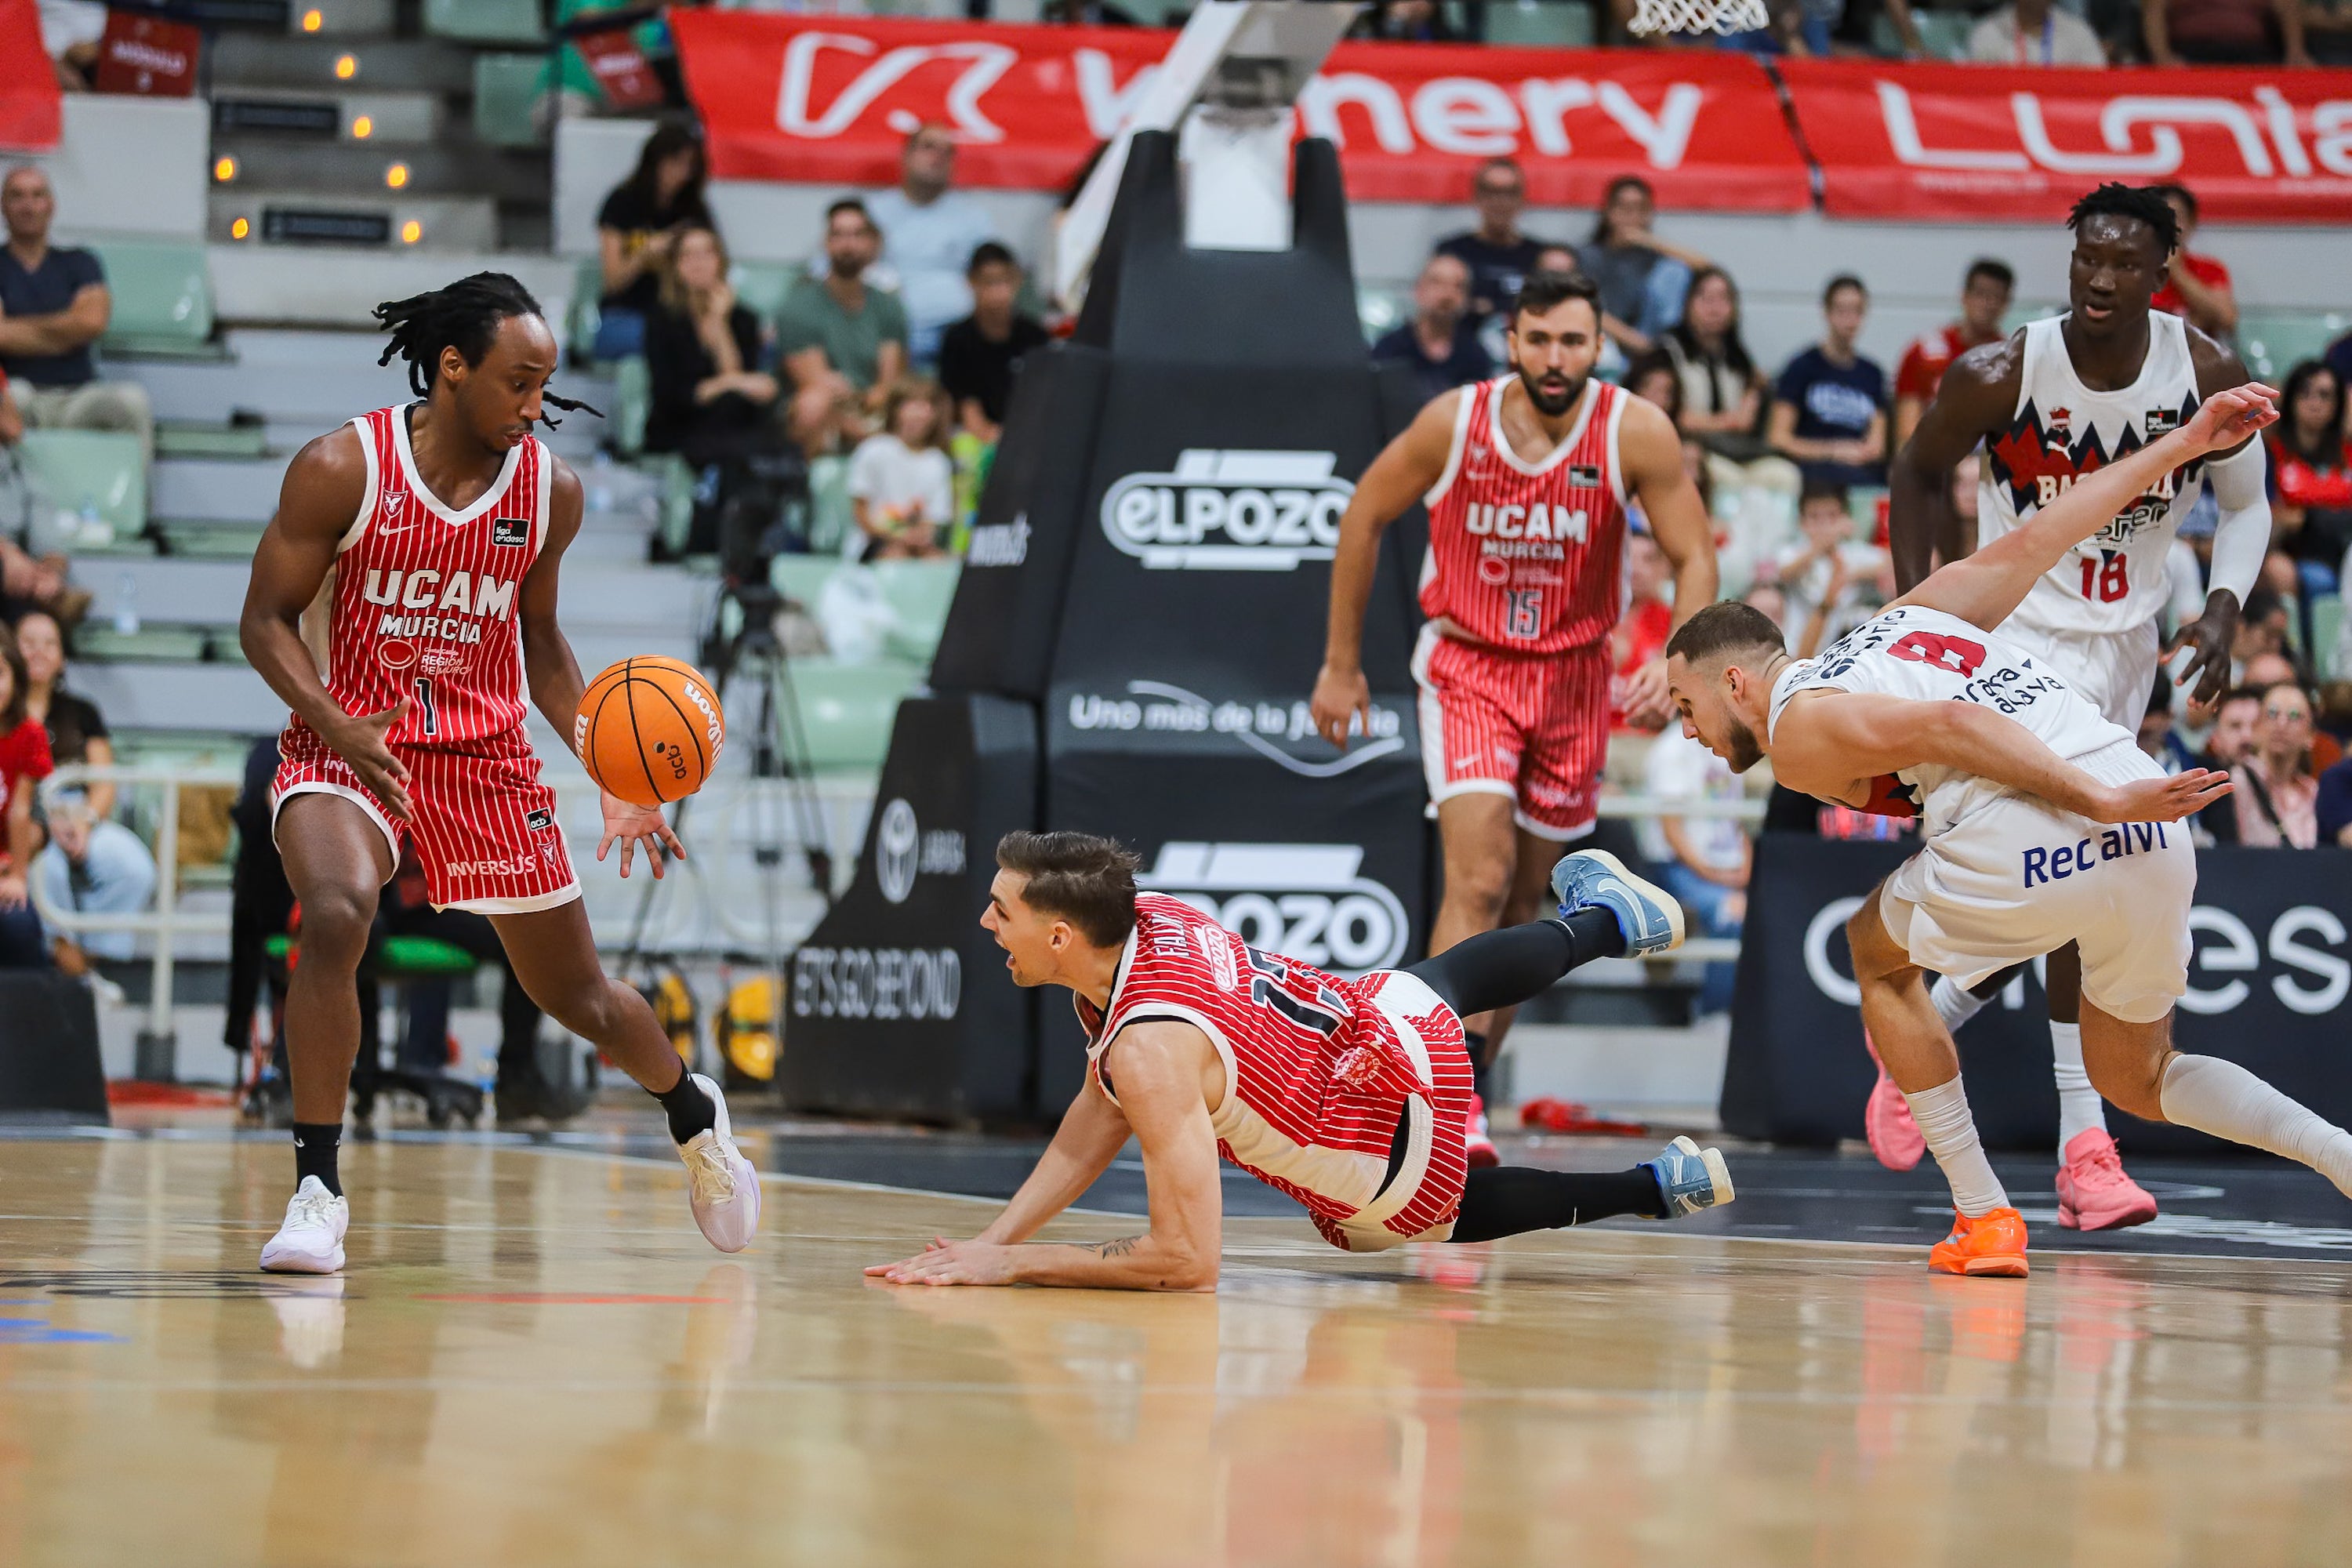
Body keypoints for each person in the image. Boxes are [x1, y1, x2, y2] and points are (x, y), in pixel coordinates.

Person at [1671, 383, 2352, 1277]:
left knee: (1872, 951)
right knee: (2137, 1075)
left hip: (2053, 814)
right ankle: (2336, 1151)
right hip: (2147, 804)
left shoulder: (1797, 728)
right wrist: (2183, 442)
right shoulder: (1909, 619)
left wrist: (2087, 800)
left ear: (1735, 684)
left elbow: (1950, 731)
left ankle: (1986, 1216)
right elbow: (2054, 528)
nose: (1687, 731)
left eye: (1685, 706)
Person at [234, 272, 760, 1274]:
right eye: (520, 382)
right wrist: (335, 723)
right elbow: (263, 621)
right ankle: (317, 1188)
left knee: (585, 999)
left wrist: (610, 765)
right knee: (340, 908)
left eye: (546, 383)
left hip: (485, 756)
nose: (535, 405)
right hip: (355, 740)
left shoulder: (546, 489)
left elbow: (544, 642)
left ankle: (694, 1112)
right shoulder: (344, 466)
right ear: (452, 366)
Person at [1886, 183, 2270, 1226]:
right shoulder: (2005, 372)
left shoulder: (2204, 371)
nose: (2100, 278)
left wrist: (2226, 605)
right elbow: (1917, 472)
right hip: (2016, 639)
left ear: (2159, 276)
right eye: (2085, 260)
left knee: (2063, 871)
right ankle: (2082, 1146)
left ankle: (1933, 1017)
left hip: (2129, 645)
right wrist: (1921, 618)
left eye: (2123, 264)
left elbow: (2248, 501)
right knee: (2087, 854)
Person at [865, 831, 1731, 1289]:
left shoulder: (1150, 1051)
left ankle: (1654, 1187)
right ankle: (1611, 925)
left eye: (999, 910)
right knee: (1425, 983)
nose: (986, 923)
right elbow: (1094, 1119)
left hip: (1377, 1157)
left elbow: (1185, 1260)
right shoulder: (1146, 914)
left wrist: (1013, 1264)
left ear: (1060, 936)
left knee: (1425, 1215)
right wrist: (990, 1239)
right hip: (1376, 1044)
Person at [1310, 270, 1718, 1165]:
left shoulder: (1634, 429)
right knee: (1481, 877)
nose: (1556, 358)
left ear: (1600, 343)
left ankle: (1468, 1092)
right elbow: (1363, 514)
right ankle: (1437, 1100)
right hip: (1469, 665)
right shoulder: (1455, 420)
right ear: (1512, 340)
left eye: (1573, 341)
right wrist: (1341, 664)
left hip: (1575, 679)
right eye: (1540, 339)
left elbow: (1693, 552)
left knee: (1528, 898)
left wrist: (1673, 654)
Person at [17, 610, 151, 970]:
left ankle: (84, 962)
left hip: (78, 812)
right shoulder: (7, 712)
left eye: (49, 643)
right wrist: (40, 828)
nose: (39, 652)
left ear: (61, 655)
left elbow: (103, 780)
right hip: (24, 816)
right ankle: (64, 962)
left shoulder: (82, 711)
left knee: (135, 866)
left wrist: (85, 821)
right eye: (28, 643)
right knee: (50, 874)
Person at [0, 166, 154, 459]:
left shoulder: (80, 262)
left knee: (133, 402)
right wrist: (66, 330)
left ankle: (137, 502)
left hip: (78, 395)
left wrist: (17, 329)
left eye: (37, 195)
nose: (28, 206)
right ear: (3, 206)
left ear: (51, 205)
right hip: (17, 395)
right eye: (17, 196)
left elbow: (92, 322)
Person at [864, 124, 1000, 371]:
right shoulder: (873, 212)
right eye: (928, 147)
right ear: (906, 155)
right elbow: (830, 270)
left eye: (947, 151)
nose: (938, 157)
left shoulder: (973, 217)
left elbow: (995, 276)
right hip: (888, 334)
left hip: (957, 332)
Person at [641, 225, 779, 466]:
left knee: (738, 414)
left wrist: (720, 323)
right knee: (731, 428)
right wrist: (730, 383)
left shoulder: (743, 319)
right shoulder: (662, 321)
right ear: (675, 265)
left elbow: (739, 386)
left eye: (707, 253)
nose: (699, 262)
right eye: (689, 255)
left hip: (729, 421)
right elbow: (671, 395)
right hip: (679, 423)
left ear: (721, 261)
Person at [1636, 726, 1748, 1014]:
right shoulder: (1672, 751)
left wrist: (1747, 867)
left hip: (1728, 868)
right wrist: (1720, 877)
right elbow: (1672, 834)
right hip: (1678, 869)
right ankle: (1715, 1013)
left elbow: (1736, 821)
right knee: (1731, 912)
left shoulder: (1731, 745)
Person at [777, 199, 908, 441]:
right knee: (813, 402)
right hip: (828, 412)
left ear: (872, 243)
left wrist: (875, 402)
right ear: (826, 243)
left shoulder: (888, 305)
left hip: (872, 407)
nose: (848, 244)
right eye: (839, 235)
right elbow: (814, 379)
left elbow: (889, 381)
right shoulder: (798, 305)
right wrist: (855, 425)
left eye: (858, 234)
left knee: (917, 404)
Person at [592, 120, 712, 363]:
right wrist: (645, 253)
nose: (682, 174)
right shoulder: (622, 203)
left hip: (679, 313)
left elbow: (711, 264)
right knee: (669, 341)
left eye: (690, 166)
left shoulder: (693, 208)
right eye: (675, 163)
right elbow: (613, 281)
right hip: (628, 312)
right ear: (655, 162)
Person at [1768, 275, 1888, 492]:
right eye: (1842, 311)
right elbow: (1778, 437)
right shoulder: (1801, 367)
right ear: (1827, 312)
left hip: (1862, 477)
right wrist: (1834, 450)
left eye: (1857, 311)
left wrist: (1864, 451)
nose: (1850, 320)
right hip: (1813, 477)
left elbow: (1877, 442)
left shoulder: (1873, 374)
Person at [1575, 176, 1708, 361]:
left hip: (1653, 338)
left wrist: (1647, 239)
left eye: (1641, 209)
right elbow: (1585, 307)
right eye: (1625, 208)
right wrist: (1635, 342)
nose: (1632, 216)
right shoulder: (1589, 256)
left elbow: (1707, 269)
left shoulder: (1655, 256)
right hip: (1606, 345)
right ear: (1608, 211)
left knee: (1675, 271)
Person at [936, 241, 1051, 446]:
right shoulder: (957, 340)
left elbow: (1042, 400)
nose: (998, 292)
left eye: (1004, 281)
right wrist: (992, 438)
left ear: (1017, 281)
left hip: (1029, 435)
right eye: (988, 282)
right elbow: (965, 406)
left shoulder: (1035, 337)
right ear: (971, 282)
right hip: (975, 440)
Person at [1893, 260, 2014, 452]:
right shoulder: (1924, 352)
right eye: (1981, 294)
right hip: (1935, 460)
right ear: (1964, 296)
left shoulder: (2014, 359)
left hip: (1990, 461)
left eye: (1997, 297)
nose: (1988, 305)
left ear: (2007, 304)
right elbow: (1906, 433)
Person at [2267, 360, 2352, 607]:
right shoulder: (2272, 452)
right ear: (2291, 398)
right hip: (2294, 553)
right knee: (2318, 580)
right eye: (2305, 392)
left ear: (2337, 405)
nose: (2315, 402)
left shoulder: (2347, 452)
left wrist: (2306, 515)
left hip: (2344, 548)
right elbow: (2274, 515)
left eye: (2325, 395)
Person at [1662, 268, 1767, 461]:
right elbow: (1669, 414)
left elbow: (1750, 409)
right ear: (1688, 304)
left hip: (1735, 449)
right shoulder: (1667, 351)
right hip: (1684, 448)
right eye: (1705, 299)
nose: (1714, 309)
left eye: (1723, 299)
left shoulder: (1737, 355)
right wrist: (1726, 422)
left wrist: (1752, 397)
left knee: (1782, 474)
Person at [845, 379, 954, 561]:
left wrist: (917, 537)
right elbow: (861, 512)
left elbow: (935, 518)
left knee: (940, 563)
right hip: (872, 544)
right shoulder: (874, 449)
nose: (922, 413)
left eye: (928, 406)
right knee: (896, 558)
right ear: (896, 410)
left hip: (917, 546)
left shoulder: (938, 461)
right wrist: (895, 536)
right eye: (914, 405)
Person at [1434, 160, 1550, 330]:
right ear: (1477, 197)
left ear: (1522, 198)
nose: (1500, 201)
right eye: (1491, 191)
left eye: (1509, 192)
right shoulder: (1452, 252)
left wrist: (1486, 306)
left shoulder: (1540, 256)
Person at [1774, 483, 1886, 658]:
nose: (1824, 524)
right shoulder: (1793, 550)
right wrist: (1821, 546)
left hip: (1845, 645)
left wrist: (1853, 575)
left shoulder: (1853, 552)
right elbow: (1785, 572)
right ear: (1802, 523)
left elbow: (1890, 565)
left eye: (1832, 516)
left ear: (1846, 518)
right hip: (1796, 646)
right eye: (1815, 517)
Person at [1370, 253, 1491, 409]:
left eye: (1458, 286)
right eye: (1437, 283)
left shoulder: (1476, 356)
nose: (1447, 294)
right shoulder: (1390, 349)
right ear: (1418, 290)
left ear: (1467, 298)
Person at [0, 637, 51, 968]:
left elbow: (20, 811)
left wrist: (17, 876)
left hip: (5, 864)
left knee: (19, 926)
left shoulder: (29, 733)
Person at [2232, 680, 2319, 847]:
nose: (2282, 724)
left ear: (2311, 736)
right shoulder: (2237, 781)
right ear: (2257, 727)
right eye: (2272, 713)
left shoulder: (2313, 792)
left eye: (2294, 716)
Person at [2147, 186, 2238, 342]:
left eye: (2178, 216)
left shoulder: (2211, 269)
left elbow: (2227, 319)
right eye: (2162, 217)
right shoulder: (2134, 269)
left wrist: (2177, 271)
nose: (2171, 225)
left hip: (2197, 361)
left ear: (2192, 223)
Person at [2143, 0, 2309, 64]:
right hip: (2189, 52)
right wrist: (2161, 55)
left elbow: (2287, 8)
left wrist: (2295, 52)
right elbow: (2154, 9)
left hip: (2253, 53)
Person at [1969, 0, 2111, 61]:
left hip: (2063, 117)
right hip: (2006, 118)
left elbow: (2097, 84)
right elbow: (1980, 92)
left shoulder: (2078, 33)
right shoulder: (1989, 34)